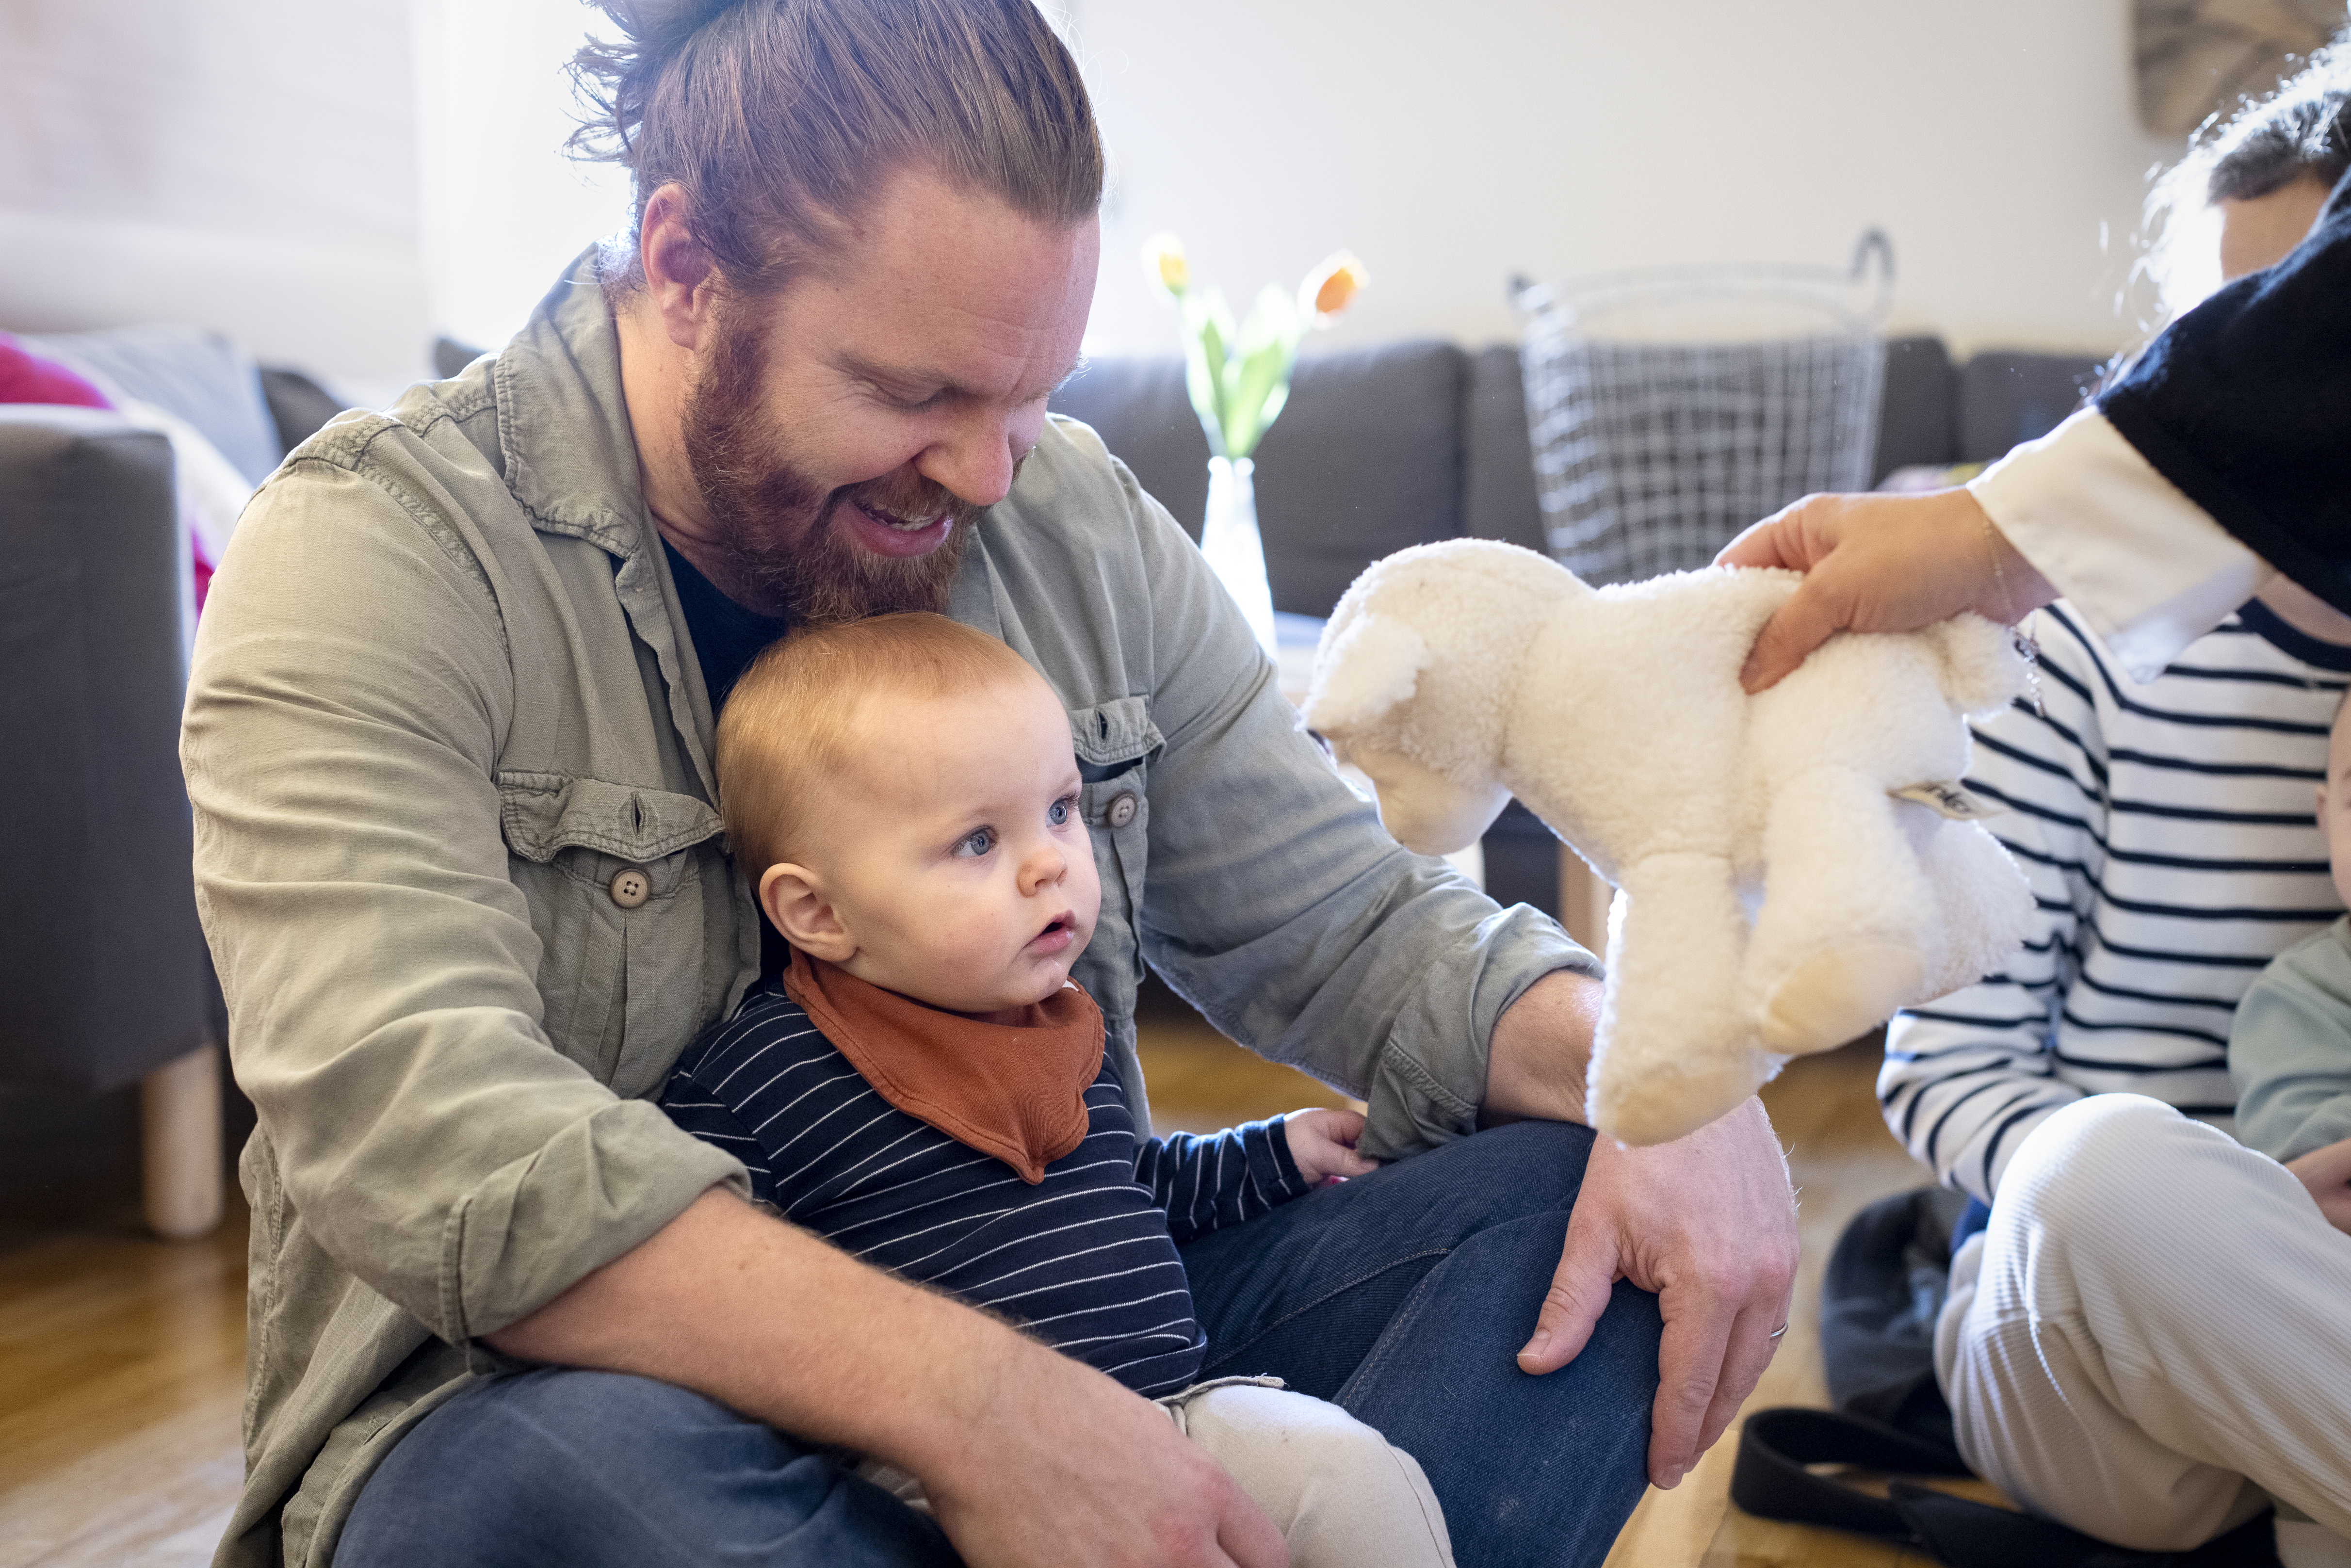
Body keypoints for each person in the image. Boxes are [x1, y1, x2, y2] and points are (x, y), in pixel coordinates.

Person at [181, 3, 1797, 1566]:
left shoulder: (1068, 516)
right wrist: (979, 1412)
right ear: (683, 267)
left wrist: (1661, 1082)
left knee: (1581, 1206)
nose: (984, 471)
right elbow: (430, 1132)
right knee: (547, 1489)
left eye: (1032, 397)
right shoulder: (373, 551)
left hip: (1081, 1337)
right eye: (913, 395)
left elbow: (1353, 926)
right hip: (580, 1406)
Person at [632, 611, 1453, 1568]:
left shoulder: (1066, 1024)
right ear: (817, 911)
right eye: (978, 840)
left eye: (1061, 809)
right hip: (931, 1487)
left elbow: (1129, 1186)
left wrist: (1271, 1153)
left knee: (1354, 1475)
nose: (1050, 861)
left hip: (1167, 1419)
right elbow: (706, 1288)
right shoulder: (759, 1078)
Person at [1873, 55, 2351, 1564]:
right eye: (2216, 339)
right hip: (2100, 1329)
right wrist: (2247, 1211)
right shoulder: (2066, 652)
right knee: (2107, 1174)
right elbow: (1945, 1068)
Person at [1721, 58, 2351, 691]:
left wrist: (1991, 540)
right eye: (2223, 325)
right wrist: (1987, 539)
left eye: (2295, 320)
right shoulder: (2068, 637)